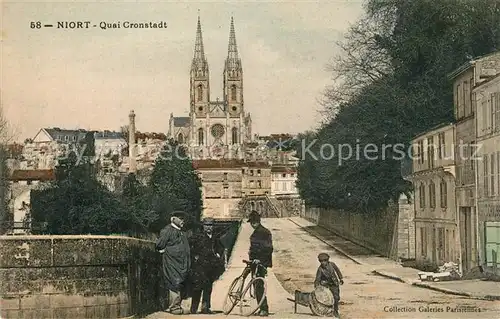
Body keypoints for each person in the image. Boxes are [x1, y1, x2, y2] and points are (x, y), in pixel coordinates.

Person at [155, 211, 191, 315]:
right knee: (174, 283)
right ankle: (174, 307)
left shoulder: (182, 232)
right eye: (180, 218)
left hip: (181, 263)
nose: (182, 221)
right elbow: (159, 245)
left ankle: (177, 306)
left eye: (183, 219)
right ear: (173, 219)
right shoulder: (167, 230)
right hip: (172, 263)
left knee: (179, 283)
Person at [189, 217, 225, 314]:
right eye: (207, 225)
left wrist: (218, 254)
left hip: (211, 266)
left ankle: (205, 308)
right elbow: (189, 247)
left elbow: (221, 248)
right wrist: (194, 256)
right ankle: (194, 308)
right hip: (200, 266)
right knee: (197, 287)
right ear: (203, 226)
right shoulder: (197, 236)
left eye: (210, 225)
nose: (208, 227)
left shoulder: (215, 237)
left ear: (213, 227)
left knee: (208, 287)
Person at [244, 210, 273, 317]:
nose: (252, 224)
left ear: (257, 221)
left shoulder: (264, 232)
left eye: (254, 222)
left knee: (259, 285)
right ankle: (260, 307)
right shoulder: (257, 232)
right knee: (256, 285)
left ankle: (264, 309)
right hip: (254, 262)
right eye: (252, 222)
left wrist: (260, 260)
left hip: (261, 263)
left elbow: (268, 248)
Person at [314, 253, 344, 318]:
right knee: (328, 299)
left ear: (327, 260)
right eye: (321, 261)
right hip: (326, 286)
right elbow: (317, 279)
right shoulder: (320, 269)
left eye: (324, 261)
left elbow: (337, 271)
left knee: (337, 298)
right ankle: (335, 312)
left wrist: (341, 278)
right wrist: (316, 287)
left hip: (334, 283)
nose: (323, 263)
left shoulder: (332, 264)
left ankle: (335, 309)